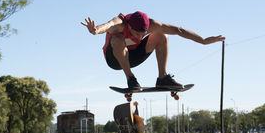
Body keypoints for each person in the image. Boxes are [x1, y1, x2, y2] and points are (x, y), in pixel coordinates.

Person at [81, 11, 225, 90]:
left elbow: (179, 30)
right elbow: (107, 25)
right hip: (114, 59)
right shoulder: (120, 23)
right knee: (117, 39)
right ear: (129, 26)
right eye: (136, 33)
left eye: (142, 34)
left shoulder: (152, 24)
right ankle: (130, 79)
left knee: (162, 35)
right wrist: (95, 30)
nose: (139, 36)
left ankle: (162, 78)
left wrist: (203, 41)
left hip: (134, 55)